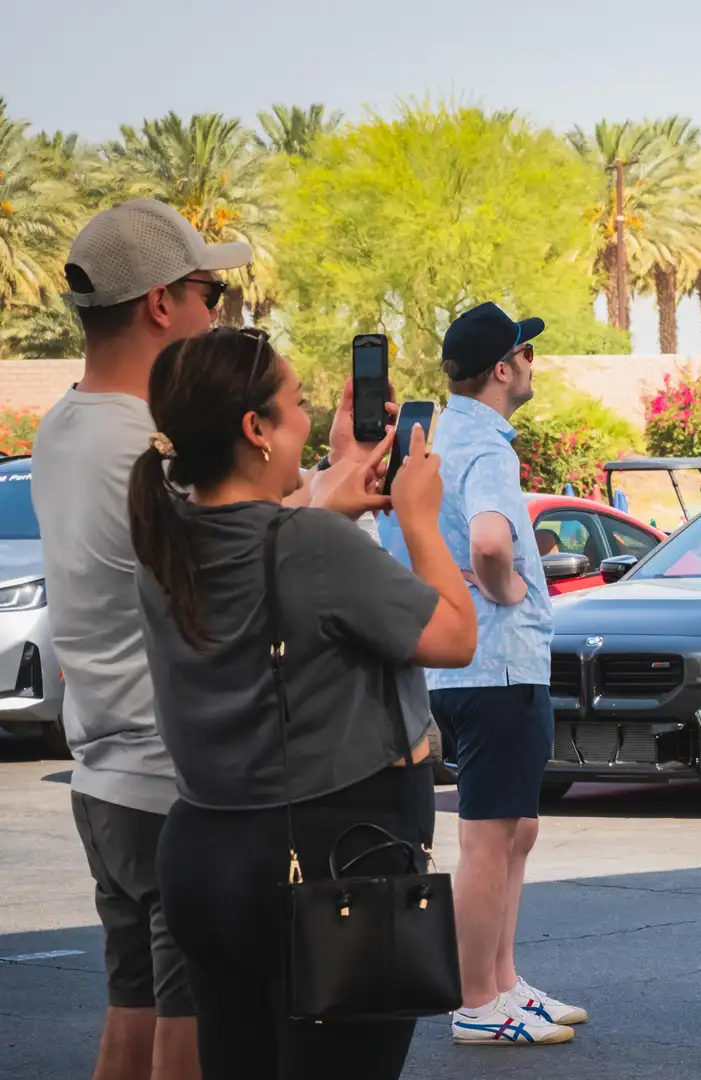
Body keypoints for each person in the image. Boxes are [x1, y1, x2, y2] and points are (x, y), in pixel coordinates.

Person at [126, 328, 477, 1078]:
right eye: (296, 405)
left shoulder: (165, 541)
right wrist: (417, 517)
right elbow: (453, 636)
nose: (309, 421)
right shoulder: (311, 545)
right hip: (332, 863)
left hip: (206, 856)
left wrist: (337, 476)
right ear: (254, 429)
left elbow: (269, 543)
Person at [30, 198, 250, 1080]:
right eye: (210, 291)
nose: (216, 313)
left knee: (132, 1009)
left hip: (102, 775)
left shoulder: (61, 424)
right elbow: (238, 569)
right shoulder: (151, 449)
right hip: (172, 782)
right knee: (191, 1031)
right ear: (162, 303)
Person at [377, 301, 584, 1046]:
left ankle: (502, 982)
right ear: (503, 370)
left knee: (514, 827)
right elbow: (494, 540)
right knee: (491, 836)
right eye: (525, 353)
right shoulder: (490, 447)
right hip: (498, 664)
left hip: (460, 665)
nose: (532, 362)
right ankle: (477, 1001)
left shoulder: (428, 441)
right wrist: (506, 588)